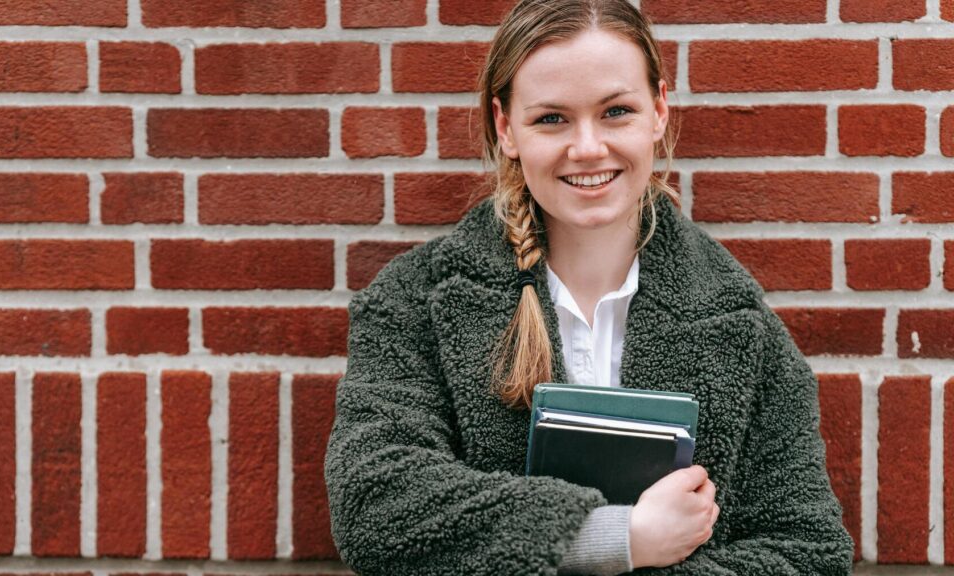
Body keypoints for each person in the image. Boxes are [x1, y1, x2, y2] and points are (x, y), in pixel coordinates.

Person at [324, 0, 855, 574]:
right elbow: (374, 504)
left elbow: (808, 549)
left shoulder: (740, 321)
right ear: (507, 128)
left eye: (616, 111)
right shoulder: (413, 301)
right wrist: (615, 538)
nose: (588, 148)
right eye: (552, 118)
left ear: (658, 110)